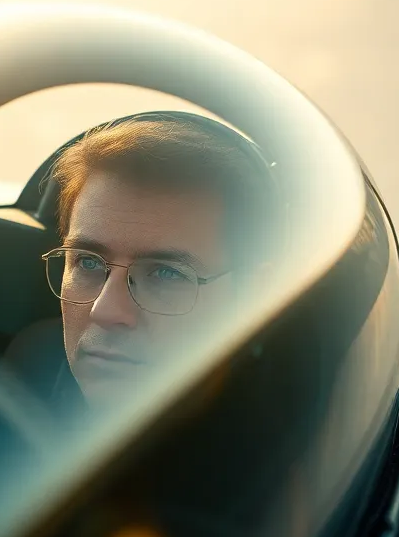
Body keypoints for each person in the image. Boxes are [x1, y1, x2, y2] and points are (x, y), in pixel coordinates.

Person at [39, 111, 277, 407]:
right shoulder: (23, 373)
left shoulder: (307, 432)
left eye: (167, 273)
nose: (106, 311)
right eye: (89, 263)